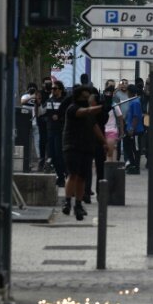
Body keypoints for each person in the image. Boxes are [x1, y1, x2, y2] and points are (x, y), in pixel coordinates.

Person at [62, 85, 107, 220]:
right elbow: (84, 111)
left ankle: (78, 204)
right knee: (73, 174)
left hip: (87, 147)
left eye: (88, 97)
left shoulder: (90, 114)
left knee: (82, 177)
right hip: (72, 146)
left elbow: (95, 127)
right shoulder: (73, 108)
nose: (87, 99)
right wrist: (100, 107)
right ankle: (67, 201)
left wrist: (104, 142)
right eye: (85, 97)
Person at [44, 81, 67, 187]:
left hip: (60, 131)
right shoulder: (49, 100)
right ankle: (60, 175)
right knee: (52, 155)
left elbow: (67, 115)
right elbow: (42, 113)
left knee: (59, 155)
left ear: (60, 90)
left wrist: (60, 118)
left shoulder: (64, 102)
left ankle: (63, 175)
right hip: (50, 131)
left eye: (55, 88)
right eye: (52, 89)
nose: (53, 90)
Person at [124, 84, 145, 174]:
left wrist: (132, 128)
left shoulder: (135, 102)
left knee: (136, 149)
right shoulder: (132, 101)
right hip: (130, 130)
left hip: (136, 131)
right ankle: (132, 164)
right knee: (128, 147)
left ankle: (136, 167)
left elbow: (136, 117)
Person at [102, 84, 124, 161]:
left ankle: (112, 168)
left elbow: (120, 119)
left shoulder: (115, 106)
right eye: (106, 93)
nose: (107, 95)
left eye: (109, 93)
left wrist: (121, 132)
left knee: (112, 151)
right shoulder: (101, 106)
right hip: (102, 131)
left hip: (112, 131)